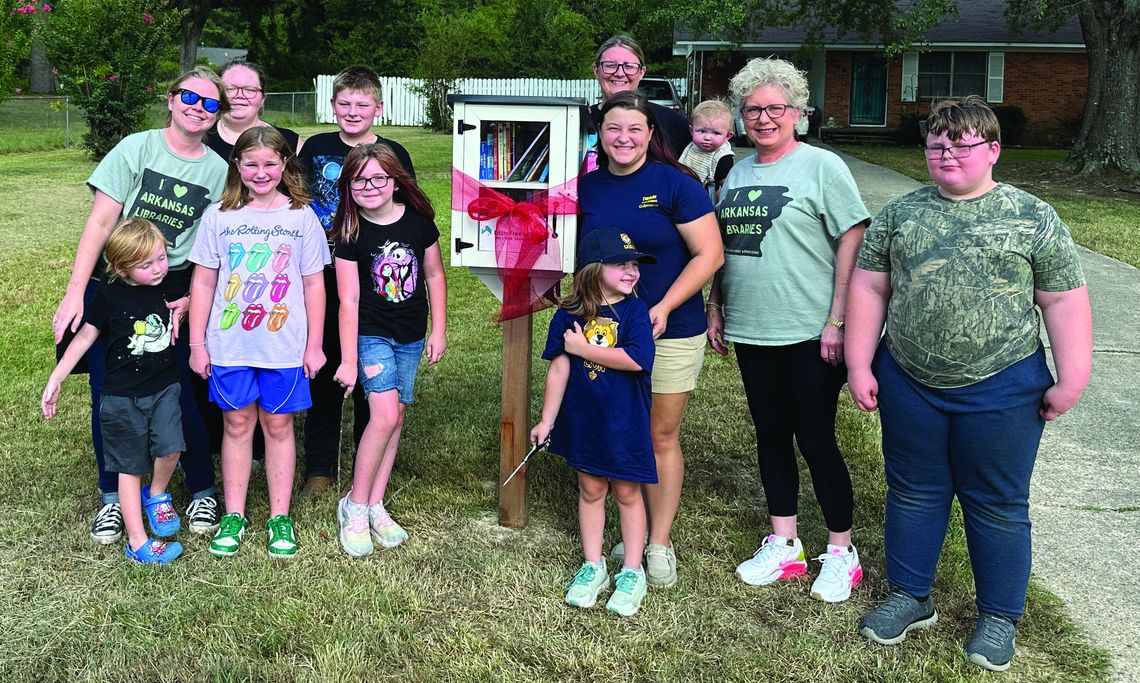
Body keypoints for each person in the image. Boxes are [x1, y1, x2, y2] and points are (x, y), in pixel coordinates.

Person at [846, 96, 1092, 671]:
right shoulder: (899, 215)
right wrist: (859, 364)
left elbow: (1062, 300)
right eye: (936, 145)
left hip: (1005, 384)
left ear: (993, 149)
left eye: (961, 144)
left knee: (998, 502)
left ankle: (999, 616)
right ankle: (911, 596)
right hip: (909, 380)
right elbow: (870, 288)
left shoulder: (1033, 217)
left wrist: (1072, 378)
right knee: (913, 490)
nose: (947, 154)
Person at [706, 57, 870, 603]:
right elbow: (724, 247)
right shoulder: (737, 173)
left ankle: (842, 552)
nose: (764, 118)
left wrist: (838, 319)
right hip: (753, 328)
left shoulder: (822, 167)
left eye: (775, 108)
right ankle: (786, 544)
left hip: (809, 329)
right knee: (770, 434)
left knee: (816, 438)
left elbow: (852, 238)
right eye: (753, 109)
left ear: (798, 112)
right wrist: (716, 304)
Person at [51, 66, 229, 545]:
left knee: (180, 391)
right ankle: (113, 497)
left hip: (173, 288)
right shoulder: (136, 148)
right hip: (114, 282)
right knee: (109, 394)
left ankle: (201, 489)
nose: (198, 108)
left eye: (210, 103)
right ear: (171, 99)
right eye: (189, 97)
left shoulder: (218, 171)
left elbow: (215, 244)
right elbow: (99, 222)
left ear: (217, 116)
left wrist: (195, 296)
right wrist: (76, 290)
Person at [578, 90, 723, 588]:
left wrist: (663, 306)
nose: (624, 138)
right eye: (613, 128)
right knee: (618, 427)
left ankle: (658, 542)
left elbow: (710, 255)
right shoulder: (585, 187)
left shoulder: (676, 183)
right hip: (604, 332)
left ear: (651, 133)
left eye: (634, 129)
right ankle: (627, 532)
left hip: (670, 328)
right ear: (600, 133)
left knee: (659, 434)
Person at [188, 127, 330, 559]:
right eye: (251, 164)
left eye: (270, 163)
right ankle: (234, 515)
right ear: (237, 165)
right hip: (230, 344)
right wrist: (197, 344)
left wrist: (314, 345)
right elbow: (204, 281)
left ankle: (279, 517)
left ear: (285, 164)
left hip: (284, 346)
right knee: (236, 425)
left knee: (278, 426)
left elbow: (314, 285)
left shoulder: (301, 217)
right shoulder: (219, 215)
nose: (261, 172)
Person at [298, 65, 416, 498]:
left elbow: (409, 211)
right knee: (327, 366)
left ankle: (366, 464)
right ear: (332, 105)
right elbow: (296, 199)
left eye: (362, 104)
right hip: (323, 274)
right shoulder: (316, 147)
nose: (352, 111)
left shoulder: (393, 152)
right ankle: (320, 467)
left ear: (378, 108)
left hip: (375, 276)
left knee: (374, 373)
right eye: (344, 103)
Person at [43, 218, 186, 564]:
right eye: (146, 265)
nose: (158, 268)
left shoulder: (169, 287)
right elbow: (85, 337)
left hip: (165, 388)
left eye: (161, 258)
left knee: (171, 449)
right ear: (121, 268)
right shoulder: (109, 295)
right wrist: (57, 377)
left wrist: (190, 301)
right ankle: (138, 542)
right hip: (121, 397)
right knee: (129, 466)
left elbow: (200, 294)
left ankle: (156, 495)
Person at [531, 229, 658, 617]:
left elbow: (637, 360)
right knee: (590, 489)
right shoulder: (567, 316)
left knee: (627, 492)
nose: (632, 271)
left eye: (634, 264)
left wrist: (584, 349)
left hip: (624, 422)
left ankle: (633, 571)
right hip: (583, 421)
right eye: (621, 264)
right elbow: (559, 369)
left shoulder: (635, 312)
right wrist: (546, 420)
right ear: (592, 269)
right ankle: (593, 565)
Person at [330, 143, 446, 557]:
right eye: (359, 180)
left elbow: (434, 275)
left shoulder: (419, 224)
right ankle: (355, 505)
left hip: (411, 335)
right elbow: (348, 300)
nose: (370, 186)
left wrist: (439, 330)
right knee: (382, 415)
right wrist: (348, 360)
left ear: (396, 182)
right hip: (370, 334)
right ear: (349, 187)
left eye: (378, 178)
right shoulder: (349, 234)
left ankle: (376, 502)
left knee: (396, 417)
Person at [588, 35, 689, 160]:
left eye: (629, 66)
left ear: (642, 72)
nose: (619, 73)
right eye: (610, 65)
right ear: (596, 71)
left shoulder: (672, 123)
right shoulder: (579, 121)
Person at [204, 59, 300, 161]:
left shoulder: (289, 142)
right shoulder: (199, 138)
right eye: (230, 89)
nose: (239, 95)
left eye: (249, 90)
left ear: (263, 99)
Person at [678, 99, 735, 204]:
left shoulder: (723, 157)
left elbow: (727, 187)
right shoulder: (689, 147)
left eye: (716, 133)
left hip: (706, 203)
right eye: (701, 131)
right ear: (691, 130)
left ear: (728, 136)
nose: (707, 138)